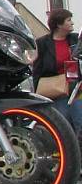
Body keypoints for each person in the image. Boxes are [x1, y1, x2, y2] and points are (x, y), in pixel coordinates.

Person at [33, 9, 80, 137]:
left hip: (76, 89)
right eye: (68, 20)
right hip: (56, 91)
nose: (72, 23)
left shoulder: (76, 39)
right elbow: (37, 70)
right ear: (59, 25)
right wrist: (38, 92)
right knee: (62, 126)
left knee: (79, 121)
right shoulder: (42, 43)